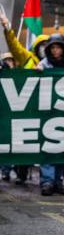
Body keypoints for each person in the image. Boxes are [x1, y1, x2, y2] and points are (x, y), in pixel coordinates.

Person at [36, 34, 64, 195]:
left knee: (61, 148)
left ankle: (58, 180)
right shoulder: (44, 64)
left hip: (62, 112)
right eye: (53, 47)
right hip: (47, 112)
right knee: (48, 147)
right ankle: (47, 181)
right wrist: (38, 72)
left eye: (58, 47)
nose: (55, 50)